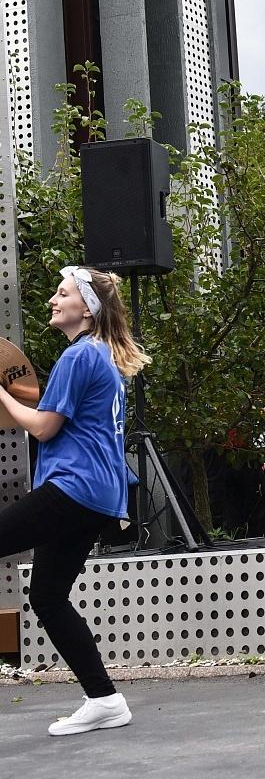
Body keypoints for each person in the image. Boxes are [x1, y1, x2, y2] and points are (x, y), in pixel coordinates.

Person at [0, 266, 149, 735]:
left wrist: (2, 397)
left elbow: (44, 427)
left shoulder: (79, 355)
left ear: (86, 308)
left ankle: (104, 700)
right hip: (98, 494)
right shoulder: (101, 354)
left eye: (61, 293)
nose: (53, 300)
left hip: (74, 487)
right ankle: (105, 700)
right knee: (47, 595)